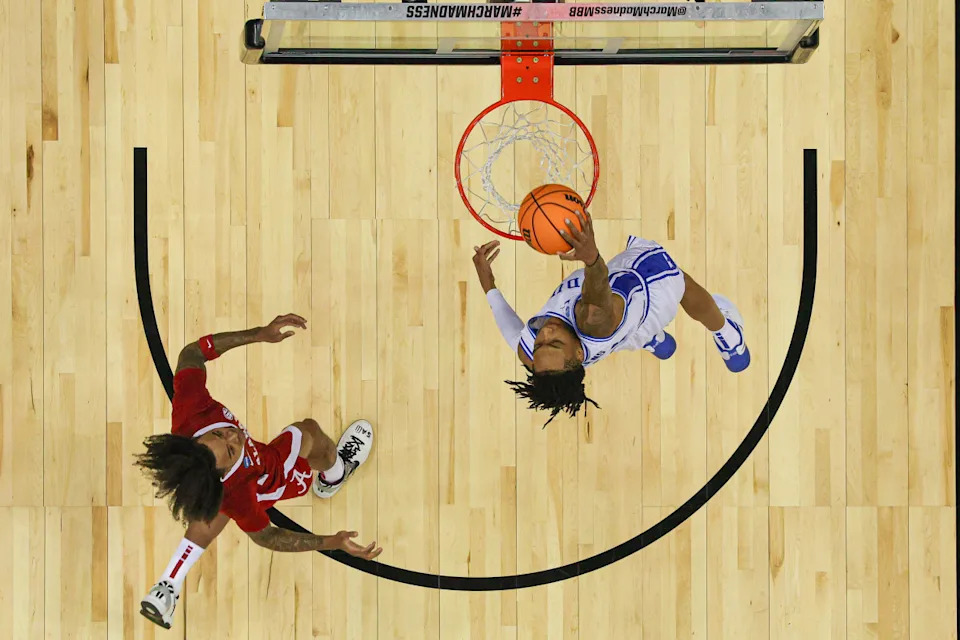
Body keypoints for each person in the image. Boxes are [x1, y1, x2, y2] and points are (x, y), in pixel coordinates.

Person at [136, 313, 380, 630]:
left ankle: (168, 585)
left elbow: (192, 353)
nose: (234, 435)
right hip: (272, 474)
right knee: (307, 432)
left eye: (220, 435)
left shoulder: (190, 409)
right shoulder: (239, 492)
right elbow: (268, 536)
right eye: (233, 450)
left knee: (212, 508)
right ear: (225, 472)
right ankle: (335, 474)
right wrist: (328, 541)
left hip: (223, 484)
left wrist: (258, 334)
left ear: (195, 438)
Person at [472, 210, 751, 425]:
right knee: (685, 286)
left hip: (626, 330)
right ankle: (729, 337)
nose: (546, 334)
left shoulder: (538, 357)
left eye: (540, 345)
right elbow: (596, 295)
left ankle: (654, 340)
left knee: (635, 335)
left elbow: (514, 335)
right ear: (579, 352)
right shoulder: (592, 320)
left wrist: (488, 284)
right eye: (555, 342)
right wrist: (592, 259)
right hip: (651, 290)